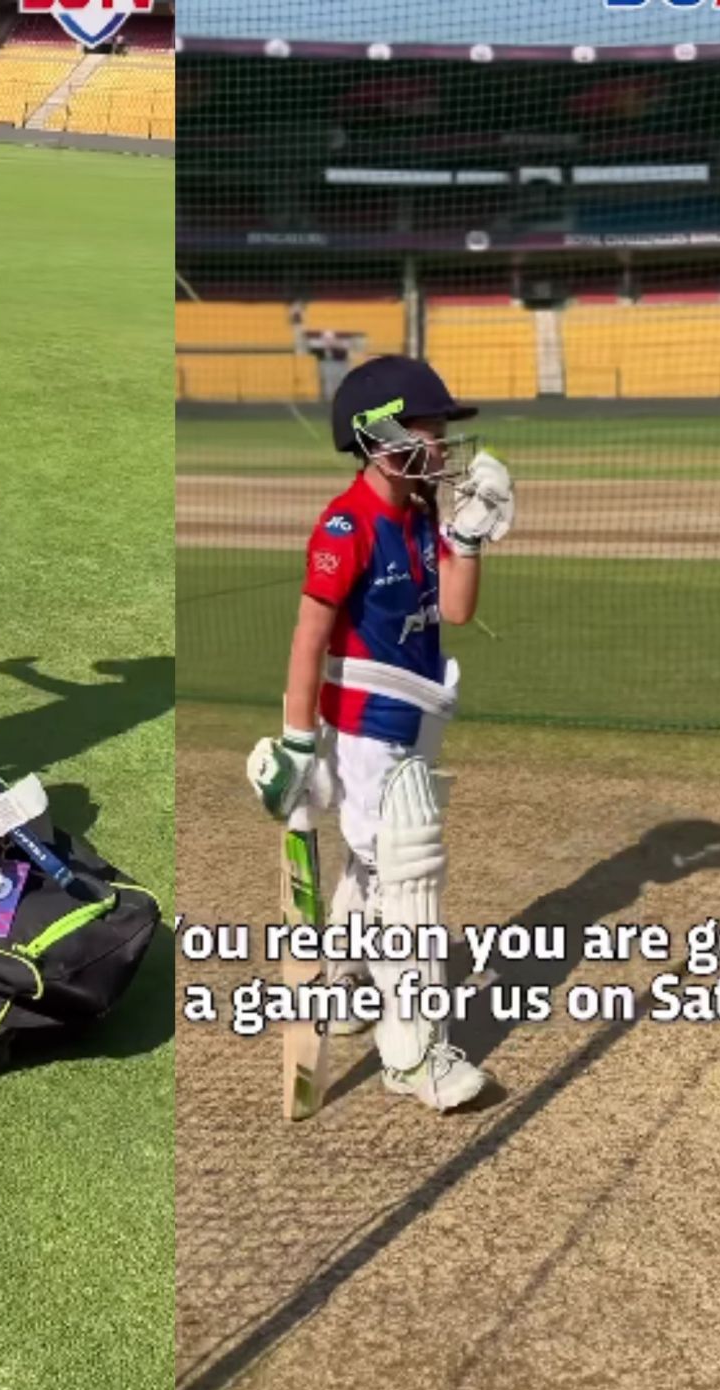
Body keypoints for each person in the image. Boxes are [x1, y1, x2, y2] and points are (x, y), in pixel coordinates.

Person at [247, 355, 515, 1112]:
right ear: (383, 435)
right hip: (365, 721)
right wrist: (299, 739)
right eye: (430, 430)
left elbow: (456, 613)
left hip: (420, 711)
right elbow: (310, 636)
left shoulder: (421, 512)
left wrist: (470, 537)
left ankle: (348, 978)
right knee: (406, 869)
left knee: (374, 861)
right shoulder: (346, 522)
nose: (442, 445)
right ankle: (413, 1054)